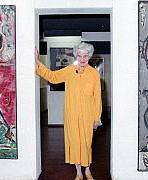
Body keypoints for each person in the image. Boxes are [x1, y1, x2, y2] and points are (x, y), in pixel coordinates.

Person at [35, 42, 102, 180]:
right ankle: (78, 173)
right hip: (71, 114)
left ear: (89, 57)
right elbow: (52, 77)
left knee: (86, 143)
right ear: (76, 55)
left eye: (85, 56)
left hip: (88, 116)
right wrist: (38, 62)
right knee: (74, 143)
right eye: (80, 56)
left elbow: (97, 98)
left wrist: (97, 119)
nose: (82, 59)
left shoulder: (94, 74)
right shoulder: (69, 70)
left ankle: (87, 171)